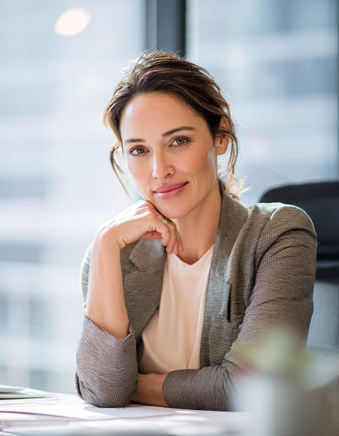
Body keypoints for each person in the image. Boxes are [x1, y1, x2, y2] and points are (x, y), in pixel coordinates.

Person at [75, 51, 317, 411]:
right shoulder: (116, 251)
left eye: (178, 141)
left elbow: (250, 388)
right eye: (139, 150)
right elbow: (102, 391)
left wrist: (132, 386)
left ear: (220, 136)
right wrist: (105, 242)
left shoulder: (277, 234)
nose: (159, 170)